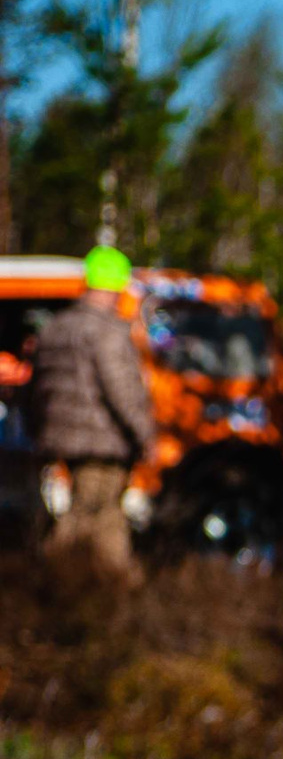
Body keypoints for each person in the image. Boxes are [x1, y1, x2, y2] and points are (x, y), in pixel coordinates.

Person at [32, 245, 156, 586]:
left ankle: (110, 594)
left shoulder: (55, 328)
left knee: (103, 518)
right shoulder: (107, 333)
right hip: (102, 444)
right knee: (89, 517)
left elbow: (37, 388)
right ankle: (54, 586)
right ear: (115, 286)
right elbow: (123, 392)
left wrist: (37, 431)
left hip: (63, 442)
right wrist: (146, 436)